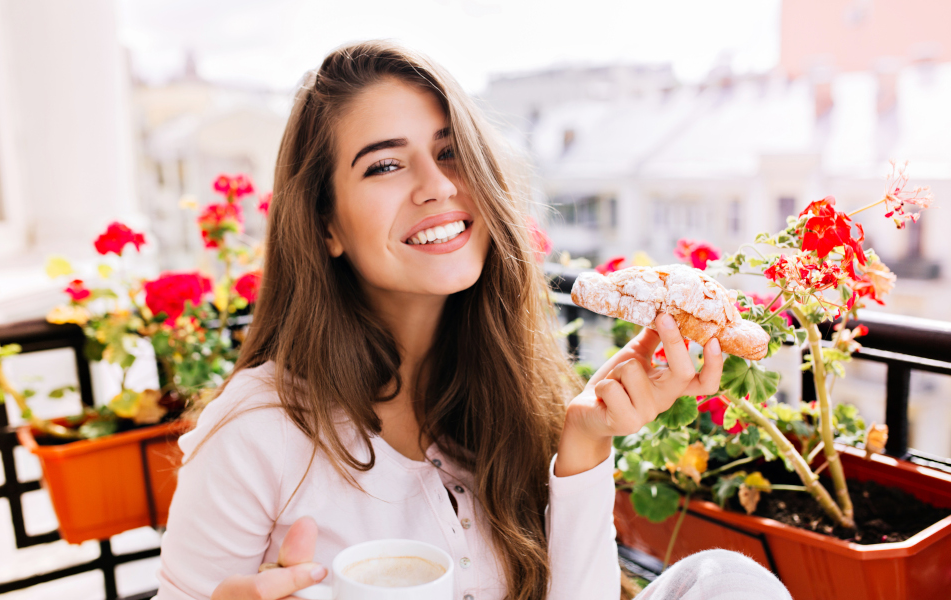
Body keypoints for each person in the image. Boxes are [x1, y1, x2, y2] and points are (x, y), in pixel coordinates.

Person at [155, 41, 792, 600]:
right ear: (326, 225)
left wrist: (585, 443)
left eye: (452, 151)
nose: (439, 186)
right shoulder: (256, 432)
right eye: (384, 164)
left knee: (727, 581)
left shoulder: (510, 387)